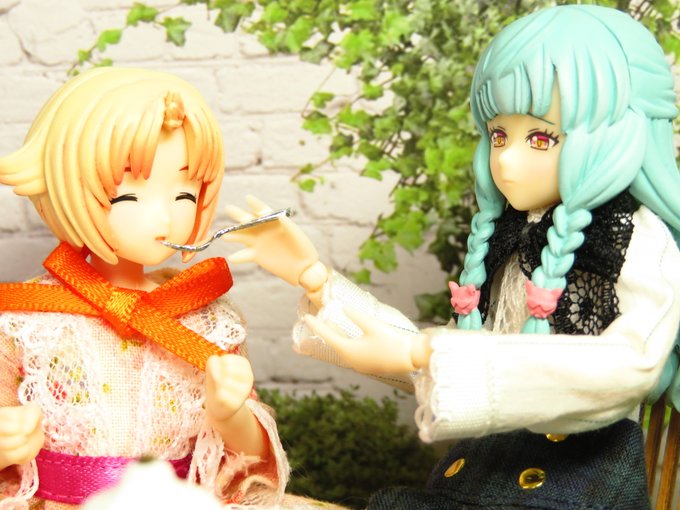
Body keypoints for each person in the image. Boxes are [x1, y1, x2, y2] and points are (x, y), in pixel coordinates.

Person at [223, 5, 680, 509]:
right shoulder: (514, 235)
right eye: (499, 135)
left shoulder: (631, 236)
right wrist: (316, 280)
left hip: (576, 490)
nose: (506, 159)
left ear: (621, 135)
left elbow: (630, 365)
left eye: (541, 138)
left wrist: (423, 354)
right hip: (480, 478)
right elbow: (456, 362)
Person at [0, 67, 290, 509]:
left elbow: (250, 458)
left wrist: (231, 416)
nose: (165, 218)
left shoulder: (207, 320)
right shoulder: (29, 319)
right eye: (129, 197)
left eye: (185, 196)